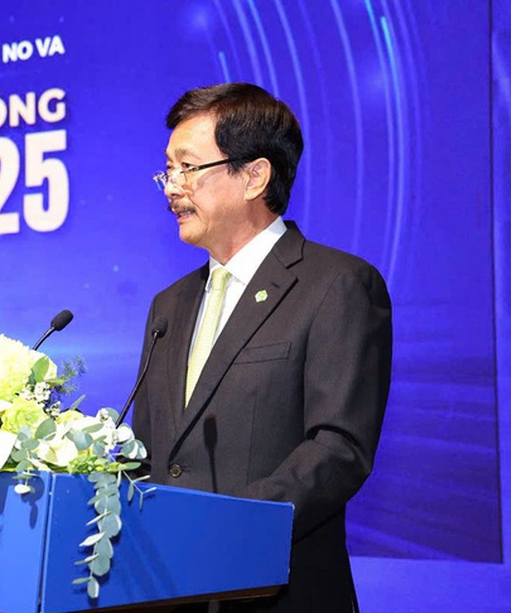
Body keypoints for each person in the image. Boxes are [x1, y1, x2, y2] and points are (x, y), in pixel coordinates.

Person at [132, 83, 392, 612]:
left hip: (277, 593)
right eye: (168, 170)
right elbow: (148, 454)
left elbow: (338, 448)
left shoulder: (336, 285)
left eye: (188, 168)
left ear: (254, 176)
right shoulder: (169, 305)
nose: (172, 187)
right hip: (168, 594)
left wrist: (225, 530)